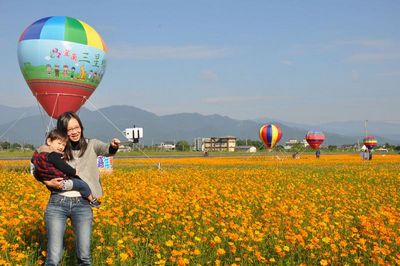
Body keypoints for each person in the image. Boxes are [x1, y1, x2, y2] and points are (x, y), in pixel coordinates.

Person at [40, 111, 120, 266]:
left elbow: (107, 150)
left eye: (76, 127)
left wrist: (114, 145)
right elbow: (38, 166)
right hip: (57, 202)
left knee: (84, 257)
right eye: (69, 130)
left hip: (82, 204)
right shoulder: (57, 149)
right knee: (53, 259)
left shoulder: (92, 144)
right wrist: (46, 182)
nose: (74, 132)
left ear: (81, 126)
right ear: (63, 132)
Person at [31, 128, 100, 208]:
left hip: (51, 183)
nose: (61, 147)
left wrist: (47, 182)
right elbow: (63, 166)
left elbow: (36, 171)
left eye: (63, 145)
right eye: (59, 143)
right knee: (82, 185)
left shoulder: (39, 154)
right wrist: (74, 172)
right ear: (49, 141)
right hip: (61, 183)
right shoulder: (53, 155)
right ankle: (92, 200)